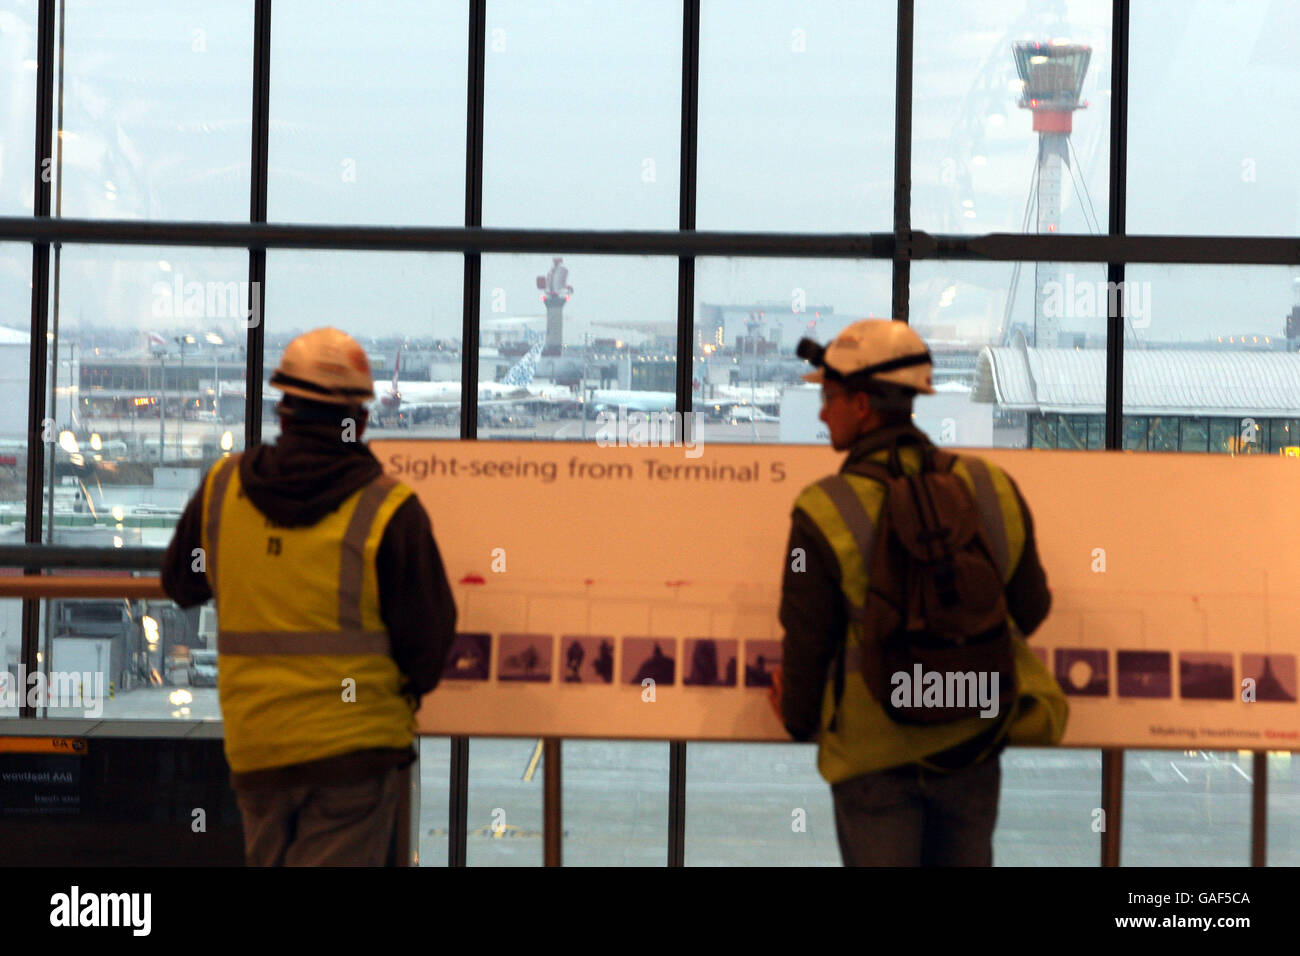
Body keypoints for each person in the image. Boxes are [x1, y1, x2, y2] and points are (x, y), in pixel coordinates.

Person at [771, 319, 1065, 867]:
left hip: (873, 758)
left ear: (862, 405)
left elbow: (808, 641)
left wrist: (796, 718)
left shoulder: (823, 509)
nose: (820, 411)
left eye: (829, 397)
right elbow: (1031, 608)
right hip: (972, 745)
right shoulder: (989, 485)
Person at [161, 327, 457, 866]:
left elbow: (181, 583)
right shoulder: (390, 510)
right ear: (360, 419)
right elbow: (429, 645)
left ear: (283, 411)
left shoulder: (223, 490)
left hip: (260, 750)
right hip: (356, 755)